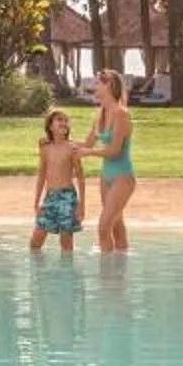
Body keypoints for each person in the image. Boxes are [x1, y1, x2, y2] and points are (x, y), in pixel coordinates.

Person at [84, 68, 138, 253]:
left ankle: (107, 275)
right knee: (116, 227)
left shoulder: (122, 114)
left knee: (103, 227)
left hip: (123, 176)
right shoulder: (100, 114)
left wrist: (87, 153)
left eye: (98, 83)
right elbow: (86, 143)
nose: (94, 86)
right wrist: (56, 141)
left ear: (108, 85)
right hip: (106, 177)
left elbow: (114, 151)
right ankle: (119, 272)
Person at [30, 109, 87, 254]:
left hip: (67, 197)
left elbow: (80, 177)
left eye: (65, 120)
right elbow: (42, 175)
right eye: (59, 120)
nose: (63, 123)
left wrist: (81, 204)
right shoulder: (45, 147)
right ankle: (39, 274)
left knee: (66, 242)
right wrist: (36, 201)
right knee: (36, 241)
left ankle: (66, 273)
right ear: (50, 126)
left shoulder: (72, 148)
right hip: (50, 197)